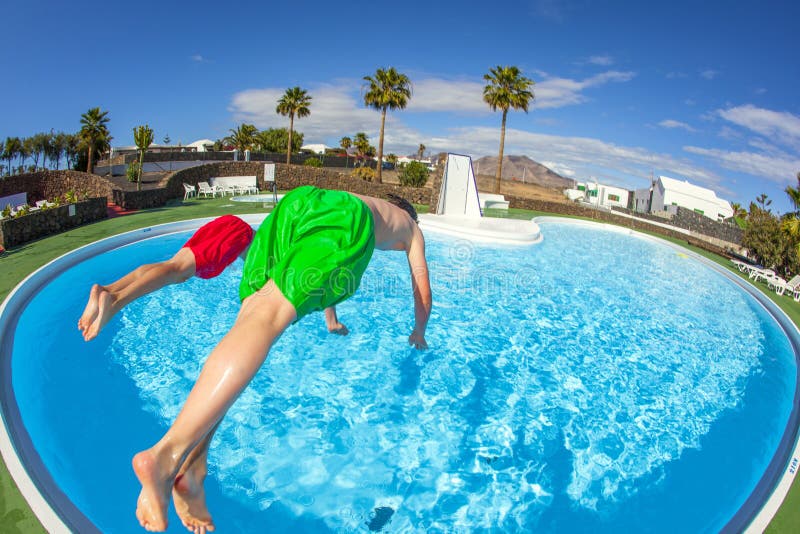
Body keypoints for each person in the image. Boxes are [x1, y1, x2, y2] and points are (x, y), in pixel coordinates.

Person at [131, 186, 432, 532]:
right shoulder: (409, 226)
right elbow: (422, 289)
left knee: (251, 323)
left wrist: (330, 319)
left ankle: (195, 466)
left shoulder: (361, 201)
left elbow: (321, 246)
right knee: (269, 318)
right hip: (343, 218)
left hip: (297, 206)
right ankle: (164, 457)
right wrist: (419, 331)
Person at [77, 214, 254, 342]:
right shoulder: (271, 258)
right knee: (176, 271)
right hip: (238, 236)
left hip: (231, 225)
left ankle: (108, 289)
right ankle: (115, 301)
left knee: (170, 265)